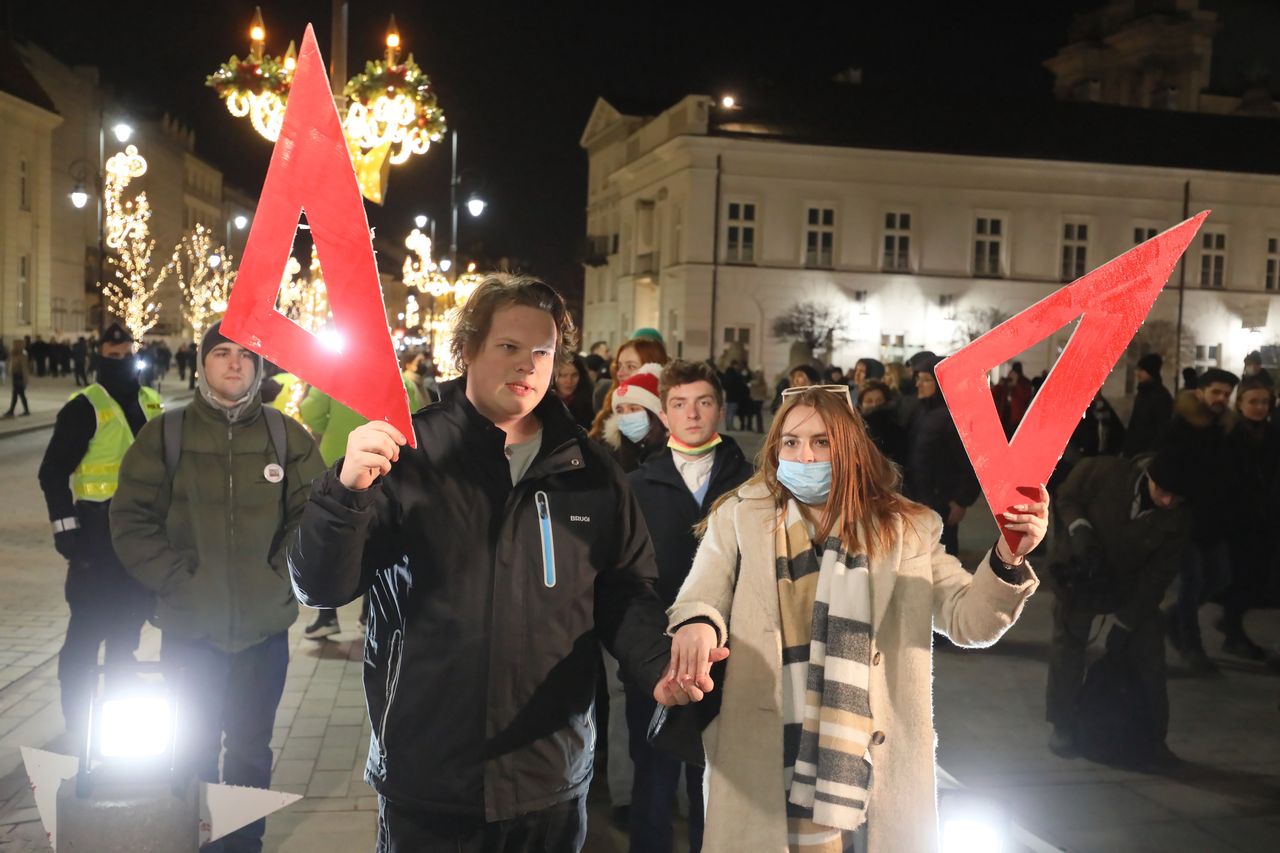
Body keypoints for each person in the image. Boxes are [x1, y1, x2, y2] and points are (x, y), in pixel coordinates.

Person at [286, 274, 672, 852]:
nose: (527, 366)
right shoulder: (406, 453)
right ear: (466, 350)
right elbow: (320, 586)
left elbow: (625, 591)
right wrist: (346, 493)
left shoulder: (589, 469)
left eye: (542, 352)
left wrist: (662, 664)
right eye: (508, 347)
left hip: (548, 777)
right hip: (429, 776)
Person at [659, 385, 1046, 851]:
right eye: (791, 442)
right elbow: (702, 592)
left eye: (822, 442)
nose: (805, 456)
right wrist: (698, 623)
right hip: (765, 757)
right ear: (775, 447)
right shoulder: (739, 518)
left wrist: (1006, 558)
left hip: (870, 770)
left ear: (850, 447)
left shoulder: (906, 530)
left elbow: (970, 621)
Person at [111, 321, 324, 853]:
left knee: (251, 750)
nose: (235, 363)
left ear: (259, 368)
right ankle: (200, 842)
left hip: (264, 632)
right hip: (189, 629)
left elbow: (313, 516)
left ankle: (243, 843)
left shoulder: (284, 435)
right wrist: (175, 582)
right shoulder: (166, 434)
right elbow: (132, 519)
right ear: (203, 363)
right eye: (222, 353)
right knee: (193, 749)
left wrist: (281, 577)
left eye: (247, 356)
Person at [625, 360, 754, 853]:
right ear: (665, 414)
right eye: (679, 404)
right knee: (653, 777)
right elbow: (625, 578)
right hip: (656, 659)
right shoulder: (638, 485)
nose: (692, 414)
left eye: (703, 402)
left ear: (720, 409)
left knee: (716, 785)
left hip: (729, 658)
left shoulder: (751, 485)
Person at [36, 323, 163, 739]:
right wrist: (65, 531)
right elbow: (53, 472)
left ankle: (118, 720)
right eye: (111, 356)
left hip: (140, 537)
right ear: (98, 358)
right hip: (95, 538)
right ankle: (77, 723)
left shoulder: (151, 402)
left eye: (126, 354)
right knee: (86, 634)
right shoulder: (84, 407)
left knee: (127, 631)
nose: (121, 362)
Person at [1045, 449, 1191, 771]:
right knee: (1068, 647)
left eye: (1175, 498)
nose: (1166, 502)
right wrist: (1080, 528)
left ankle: (1154, 738)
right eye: (1162, 492)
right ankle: (1063, 723)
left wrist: (1126, 621)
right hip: (1079, 574)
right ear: (1149, 477)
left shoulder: (1179, 517)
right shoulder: (1103, 472)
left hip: (1128, 584)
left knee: (1150, 653)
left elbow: (1160, 573)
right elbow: (1067, 495)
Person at [298, 377, 422, 639]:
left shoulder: (333, 378)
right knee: (376, 541)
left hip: (341, 468)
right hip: (387, 467)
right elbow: (416, 424)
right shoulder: (403, 383)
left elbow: (311, 413)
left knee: (337, 536)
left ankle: (327, 616)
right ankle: (368, 615)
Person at [1159, 367, 1239, 675]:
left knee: (1220, 579)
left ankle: (1172, 618)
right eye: (1216, 392)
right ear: (1200, 392)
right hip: (1185, 519)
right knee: (1192, 584)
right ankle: (1191, 646)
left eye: (1226, 394)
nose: (1221, 398)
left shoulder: (1226, 428)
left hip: (1215, 519)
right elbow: (1166, 466)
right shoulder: (1181, 426)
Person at [1220, 377, 1279, 661]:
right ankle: (1232, 633)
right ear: (1240, 403)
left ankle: (1231, 624)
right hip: (1237, 520)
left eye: (1264, 402)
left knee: (1255, 579)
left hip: (1264, 518)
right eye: (1253, 402)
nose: (1259, 407)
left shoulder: (1270, 433)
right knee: (1240, 578)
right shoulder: (1230, 434)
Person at [904, 356, 980, 556]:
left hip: (942, 503)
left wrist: (962, 501)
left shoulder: (954, 416)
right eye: (918, 378)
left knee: (943, 560)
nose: (918, 384)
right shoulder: (920, 412)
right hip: (919, 501)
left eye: (925, 379)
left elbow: (970, 463)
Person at [589, 336, 670, 438]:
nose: (620, 373)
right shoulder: (608, 405)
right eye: (619, 366)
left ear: (652, 370)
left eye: (631, 366)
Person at [599, 363, 670, 472]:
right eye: (620, 411)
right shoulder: (612, 453)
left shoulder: (671, 455)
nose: (626, 416)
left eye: (634, 409)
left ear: (655, 413)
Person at [1123, 353, 1173, 458]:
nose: (1137, 374)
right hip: (1136, 452)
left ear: (1151, 372)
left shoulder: (1159, 395)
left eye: (1142, 370)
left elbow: (1162, 428)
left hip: (1147, 454)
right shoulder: (1143, 392)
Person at [858, 380, 906, 467]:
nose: (874, 405)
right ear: (861, 405)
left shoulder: (896, 428)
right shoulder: (855, 430)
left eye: (879, 400)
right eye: (869, 401)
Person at [993, 361, 1033, 438]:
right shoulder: (1007, 381)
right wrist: (1000, 384)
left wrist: (1016, 383)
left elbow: (1025, 397)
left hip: (1017, 419)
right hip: (1004, 417)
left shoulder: (1024, 382)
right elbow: (994, 394)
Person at [554, 354, 596, 429]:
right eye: (563, 375)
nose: (569, 381)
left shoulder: (590, 403)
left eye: (574, 375)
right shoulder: (543, 404)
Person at [4, 339, 29, 417]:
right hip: (15, 377)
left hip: (19, 377)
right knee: (18, 394)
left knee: (18, 394)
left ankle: (14, 410)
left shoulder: (22, 355)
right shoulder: (14, 354)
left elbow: (24, 369)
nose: (14, 346)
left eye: (15, 345)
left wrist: (25, 381)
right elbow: (9, 363)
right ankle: (23, 410)